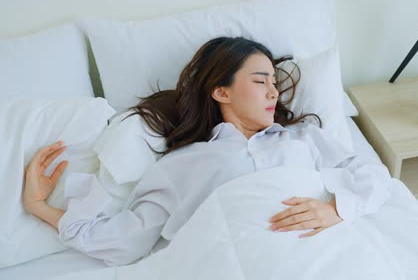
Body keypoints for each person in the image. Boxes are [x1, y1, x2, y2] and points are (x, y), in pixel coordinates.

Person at [22, 37, 393, 266]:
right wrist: (41, 207)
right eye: (260, 80)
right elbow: (123, 241)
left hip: (324, 257)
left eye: (275, 84)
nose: (273, 92)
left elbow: (373, 175)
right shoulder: (182, 164)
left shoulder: (304, 138)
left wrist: (336, 210)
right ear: (221, 91)